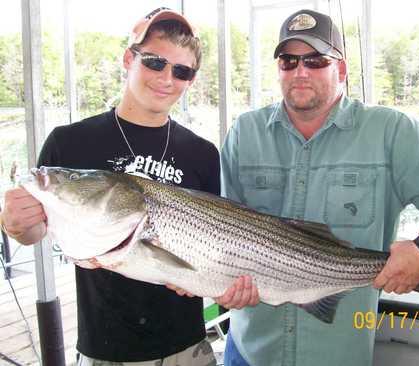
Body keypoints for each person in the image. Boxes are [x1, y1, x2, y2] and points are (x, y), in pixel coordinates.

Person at [220, 9, 419, 366]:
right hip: (249, 351)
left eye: (316, 60)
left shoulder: (387, 130)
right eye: (288, 61)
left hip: (336, 355)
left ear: (341, 70)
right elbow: (220, 231)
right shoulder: (244, 131)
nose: (300, 71)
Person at [0, 8, 257, 365]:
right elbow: (36, 230)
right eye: (154, 62)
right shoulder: (68, 144)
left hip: (189, 348)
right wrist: (16, 224)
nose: (166, 78)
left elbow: (218, 244)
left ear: (191, 81)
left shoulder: (203, 154)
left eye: (181, 71)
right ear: (128, 59)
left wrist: (228, 287)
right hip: (105, 349)